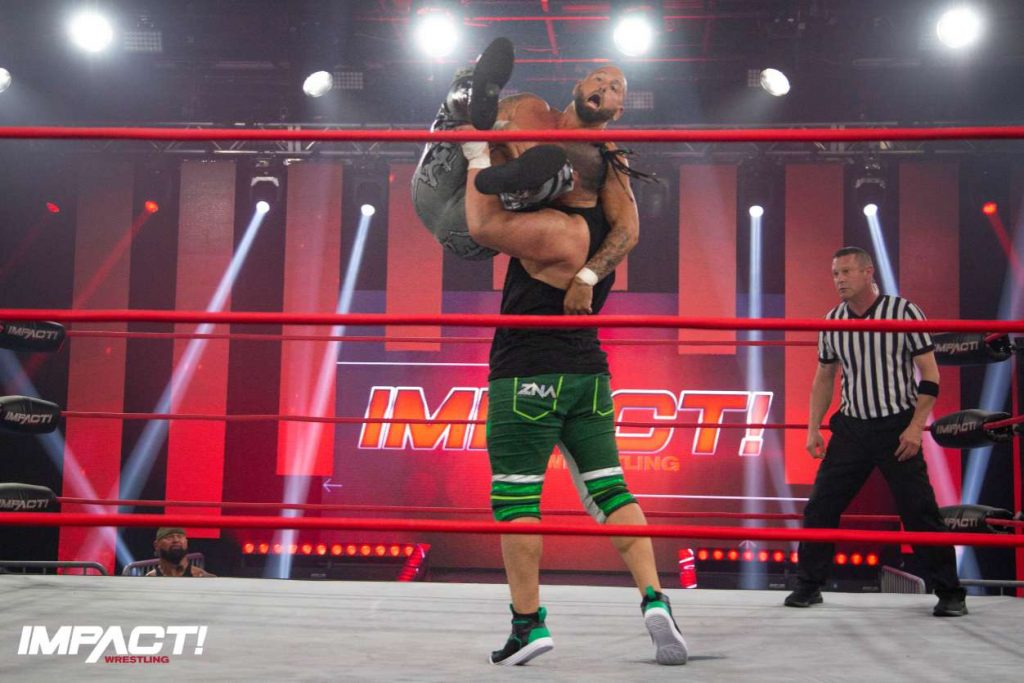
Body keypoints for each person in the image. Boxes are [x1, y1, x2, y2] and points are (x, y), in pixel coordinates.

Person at [458, 91, 688, 668]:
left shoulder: (558, 230)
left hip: (527, 373)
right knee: (611, 492)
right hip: (589, 373)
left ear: (567, 179)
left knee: (516, 498)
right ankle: (654, 599)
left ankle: (528, 625)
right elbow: (629, 219)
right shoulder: (609, 232)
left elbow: (481, 224)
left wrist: (476, 153)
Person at [785, 246, 966, 617]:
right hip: (851, 427)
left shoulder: (904, 312)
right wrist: (813, 428)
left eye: (846, 272)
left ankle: (951, 592)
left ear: (868, 272)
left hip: (896, 425)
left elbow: (930, 374)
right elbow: (824, 376)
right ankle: (808, 585)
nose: (839, 280)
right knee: (821, 506)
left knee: (919, 511)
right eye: (835, 274)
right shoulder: (833, 320)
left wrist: (915, 427)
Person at [412, 37, 645, 315]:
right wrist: (501, 128)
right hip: (435, 184)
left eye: (614, 88)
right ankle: (476, 93)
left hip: (472, 227)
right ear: (578, 87)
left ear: (618, 112)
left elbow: (627, 230)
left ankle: (513, 174)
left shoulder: (605, 156)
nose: (604, 86)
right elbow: (465, 129)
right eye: (598, 79)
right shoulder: (527, 106)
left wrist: (588, 278)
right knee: (462, 102)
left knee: (557, 175)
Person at [144, 527, 215, 577]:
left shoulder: (203, 578)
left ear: (186, 543)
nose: (176, 540)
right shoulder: (149, 579)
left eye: (180, 536)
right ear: (156, 545)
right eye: (169, 537)